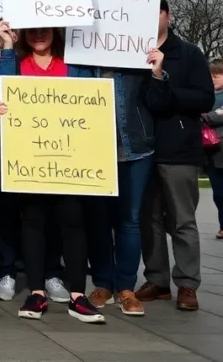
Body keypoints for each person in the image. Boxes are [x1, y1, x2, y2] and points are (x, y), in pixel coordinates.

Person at [0, 24, 103, 324]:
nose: (38, 36)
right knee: (33, 222)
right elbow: (1, 88)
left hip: (72, 159)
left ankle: (78, 295)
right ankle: (37, 291)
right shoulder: (14, 63)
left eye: (44, 30)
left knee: (72, 221)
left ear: (56, 33)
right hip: (30, 160)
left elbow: (94, 103)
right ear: (23, 36)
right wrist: (5, 45)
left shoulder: (74, 65)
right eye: (32, 31)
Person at [136, 0, 213, 312]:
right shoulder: (129, 52)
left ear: (166, 15)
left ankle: (187, 284)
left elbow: (205, 99)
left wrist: (162, 82)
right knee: (148, 219)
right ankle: (157, 279)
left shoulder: (190, 53)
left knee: (182, 220)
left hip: (178, 148)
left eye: (154, 12)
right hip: (141, 148)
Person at [83, 21, 159, 317]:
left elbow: (158, 101)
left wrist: (156, 72)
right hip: (93, 151)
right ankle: (103, 282)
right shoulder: (82, 61)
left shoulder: (138, 59)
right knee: (99, 220)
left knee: (129, 220)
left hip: (136, 149)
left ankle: (126, 287)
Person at [204, 59, 223, 241]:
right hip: (210, 150)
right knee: (218, 192)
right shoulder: (208, 95)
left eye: (217, 76)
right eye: (211, 76)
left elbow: (215, 116)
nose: (213, 79)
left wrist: (207, 116)